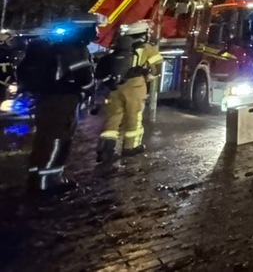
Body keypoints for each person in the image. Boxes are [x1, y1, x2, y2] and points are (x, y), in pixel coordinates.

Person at [16, 27, 95, 194]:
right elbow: (86, 80)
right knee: (58, 141)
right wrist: (85, 92)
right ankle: (48, 183)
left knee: (43, 140)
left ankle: (36, 179)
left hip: (44, 100)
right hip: (63, 101)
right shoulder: (76, 50)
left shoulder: (55, 49)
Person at [96, 20, 162, 161]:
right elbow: (158, 68)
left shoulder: (118, 47)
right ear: (143, 34)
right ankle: (130, 147)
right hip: (135, 86)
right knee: (134, 116)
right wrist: (149, 78)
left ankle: (106, 149)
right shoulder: (147, 48)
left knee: (113, 117)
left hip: (114, 86)